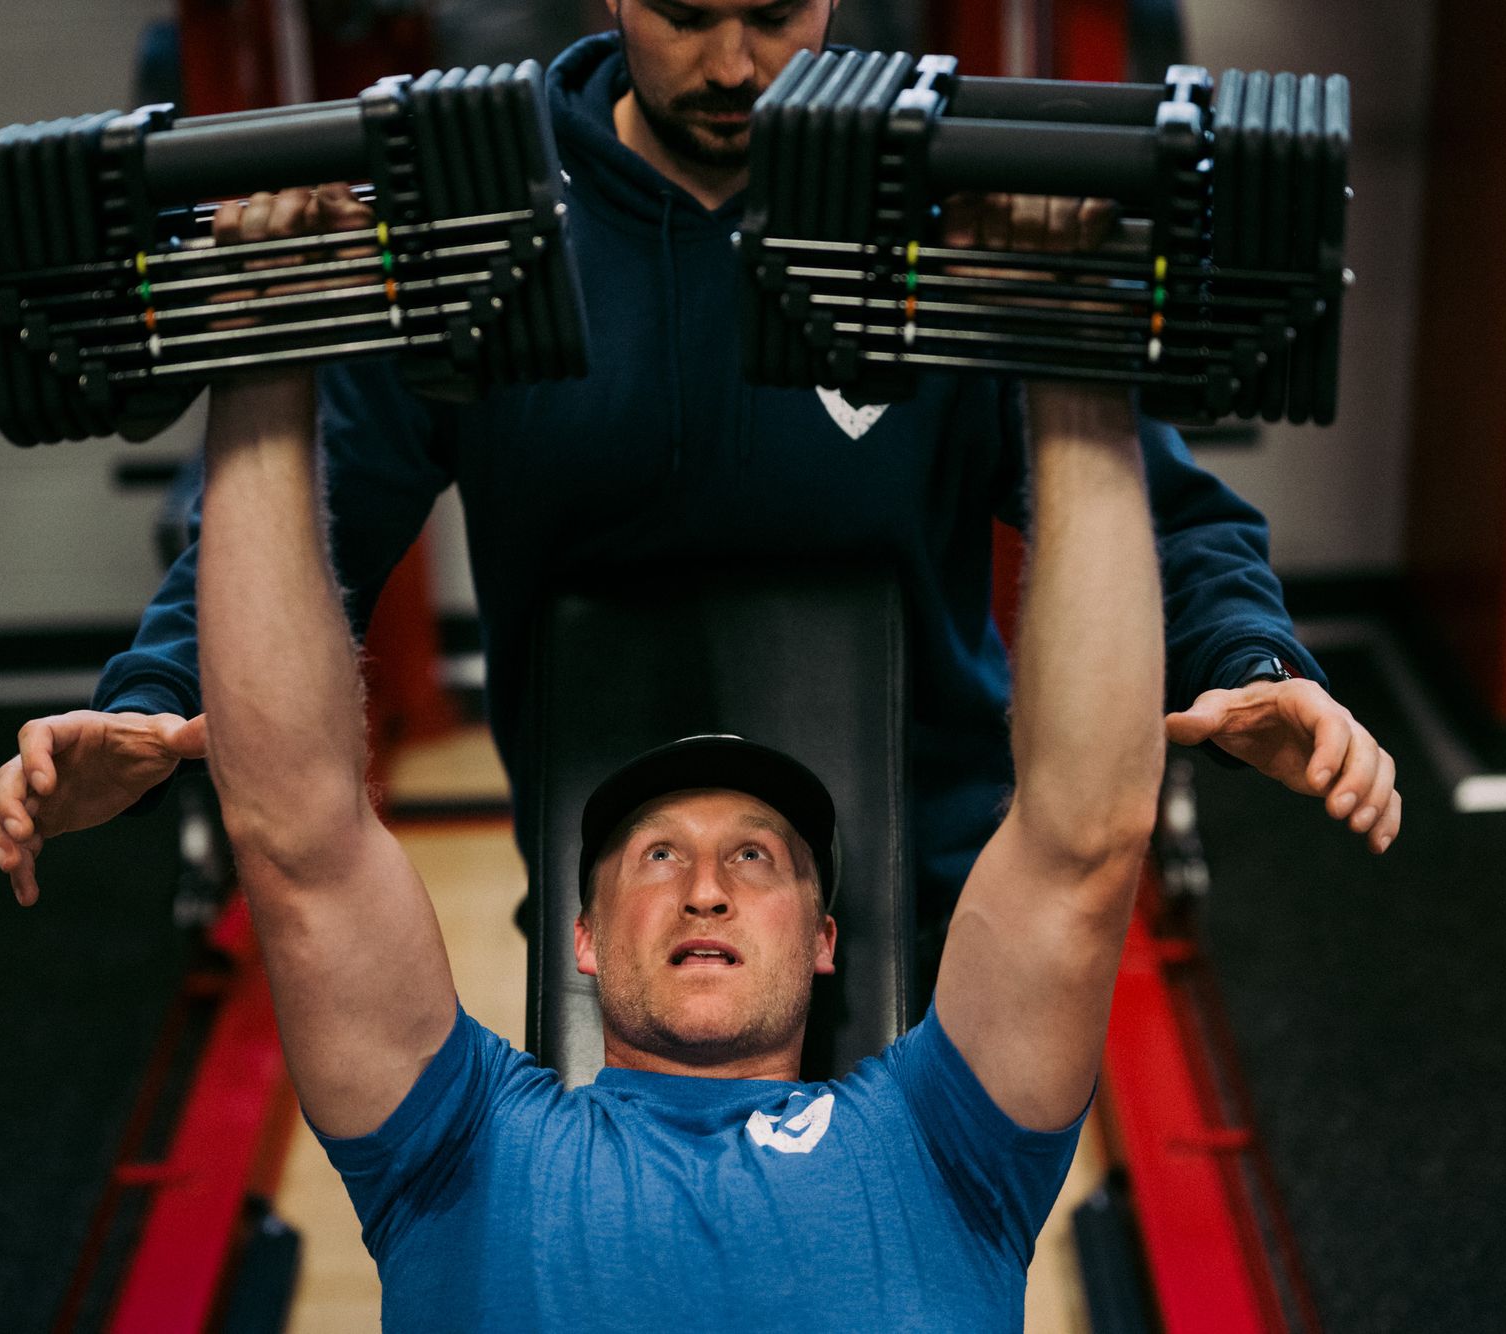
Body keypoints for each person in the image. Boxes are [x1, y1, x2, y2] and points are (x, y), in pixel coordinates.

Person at [0, 0, 1402, 924]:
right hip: (623, 897)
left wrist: (1259, 665)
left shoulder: (938, 200)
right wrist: (153, 698)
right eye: (688, 13)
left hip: (930, 880)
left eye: (774, 13)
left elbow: (1162, 511)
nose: (732, 64)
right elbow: (319, 522)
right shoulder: (490, 220)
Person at [101, 177, 1170, 1329]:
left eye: (756, 856)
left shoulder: (938, 1144)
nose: (704, 882)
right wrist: (264, 368)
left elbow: (1082, 838)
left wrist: (1073, 362)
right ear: (583, 935)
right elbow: (296, 836)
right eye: (654, 855)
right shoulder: (460, 1148)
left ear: (824, 939)